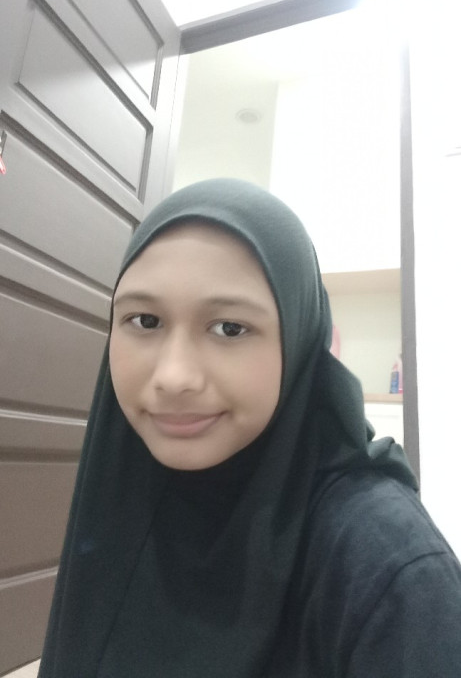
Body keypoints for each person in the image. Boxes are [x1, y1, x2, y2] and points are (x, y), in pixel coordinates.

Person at [38, 179, 461, 677]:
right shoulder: (124, 484)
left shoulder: (391, 570)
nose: (174, 376)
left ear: (298, 341)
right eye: (145, 321)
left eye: (230, 328)